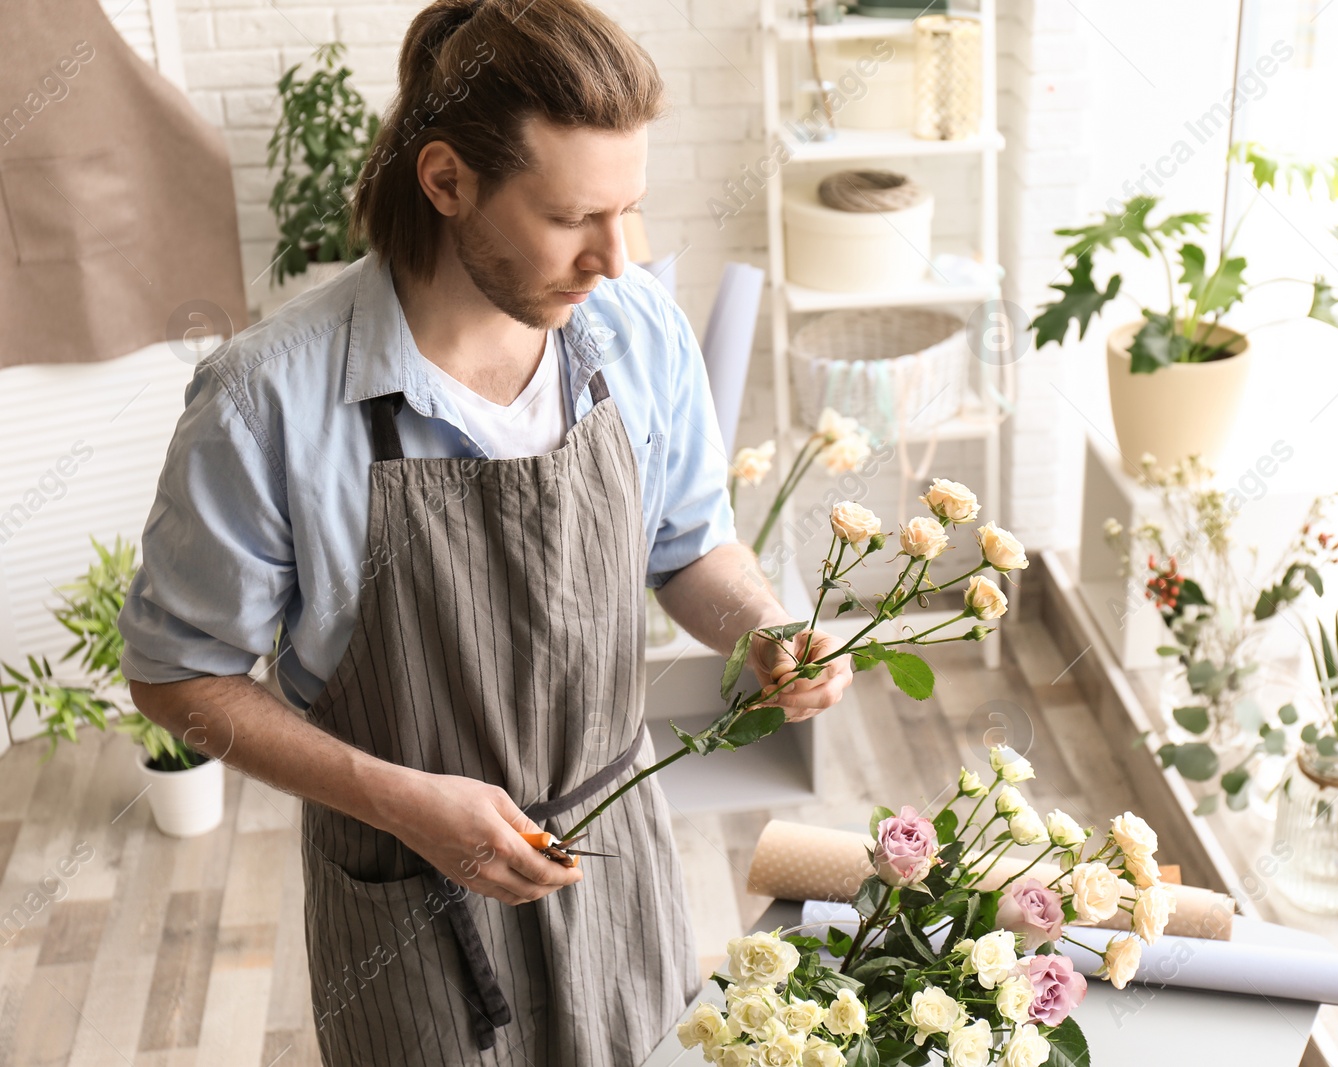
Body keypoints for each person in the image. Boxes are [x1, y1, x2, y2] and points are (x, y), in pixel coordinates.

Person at [116, 2, 852, 1064]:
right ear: (447, 181)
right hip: (411, 906)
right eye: (571, 218)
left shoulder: (633, 329)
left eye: (628, 210)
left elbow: (688, 546)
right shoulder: (264, 400)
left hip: (616, 863)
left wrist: (765, 627)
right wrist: (404, 801)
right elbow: (176, 676)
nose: (616, 255)